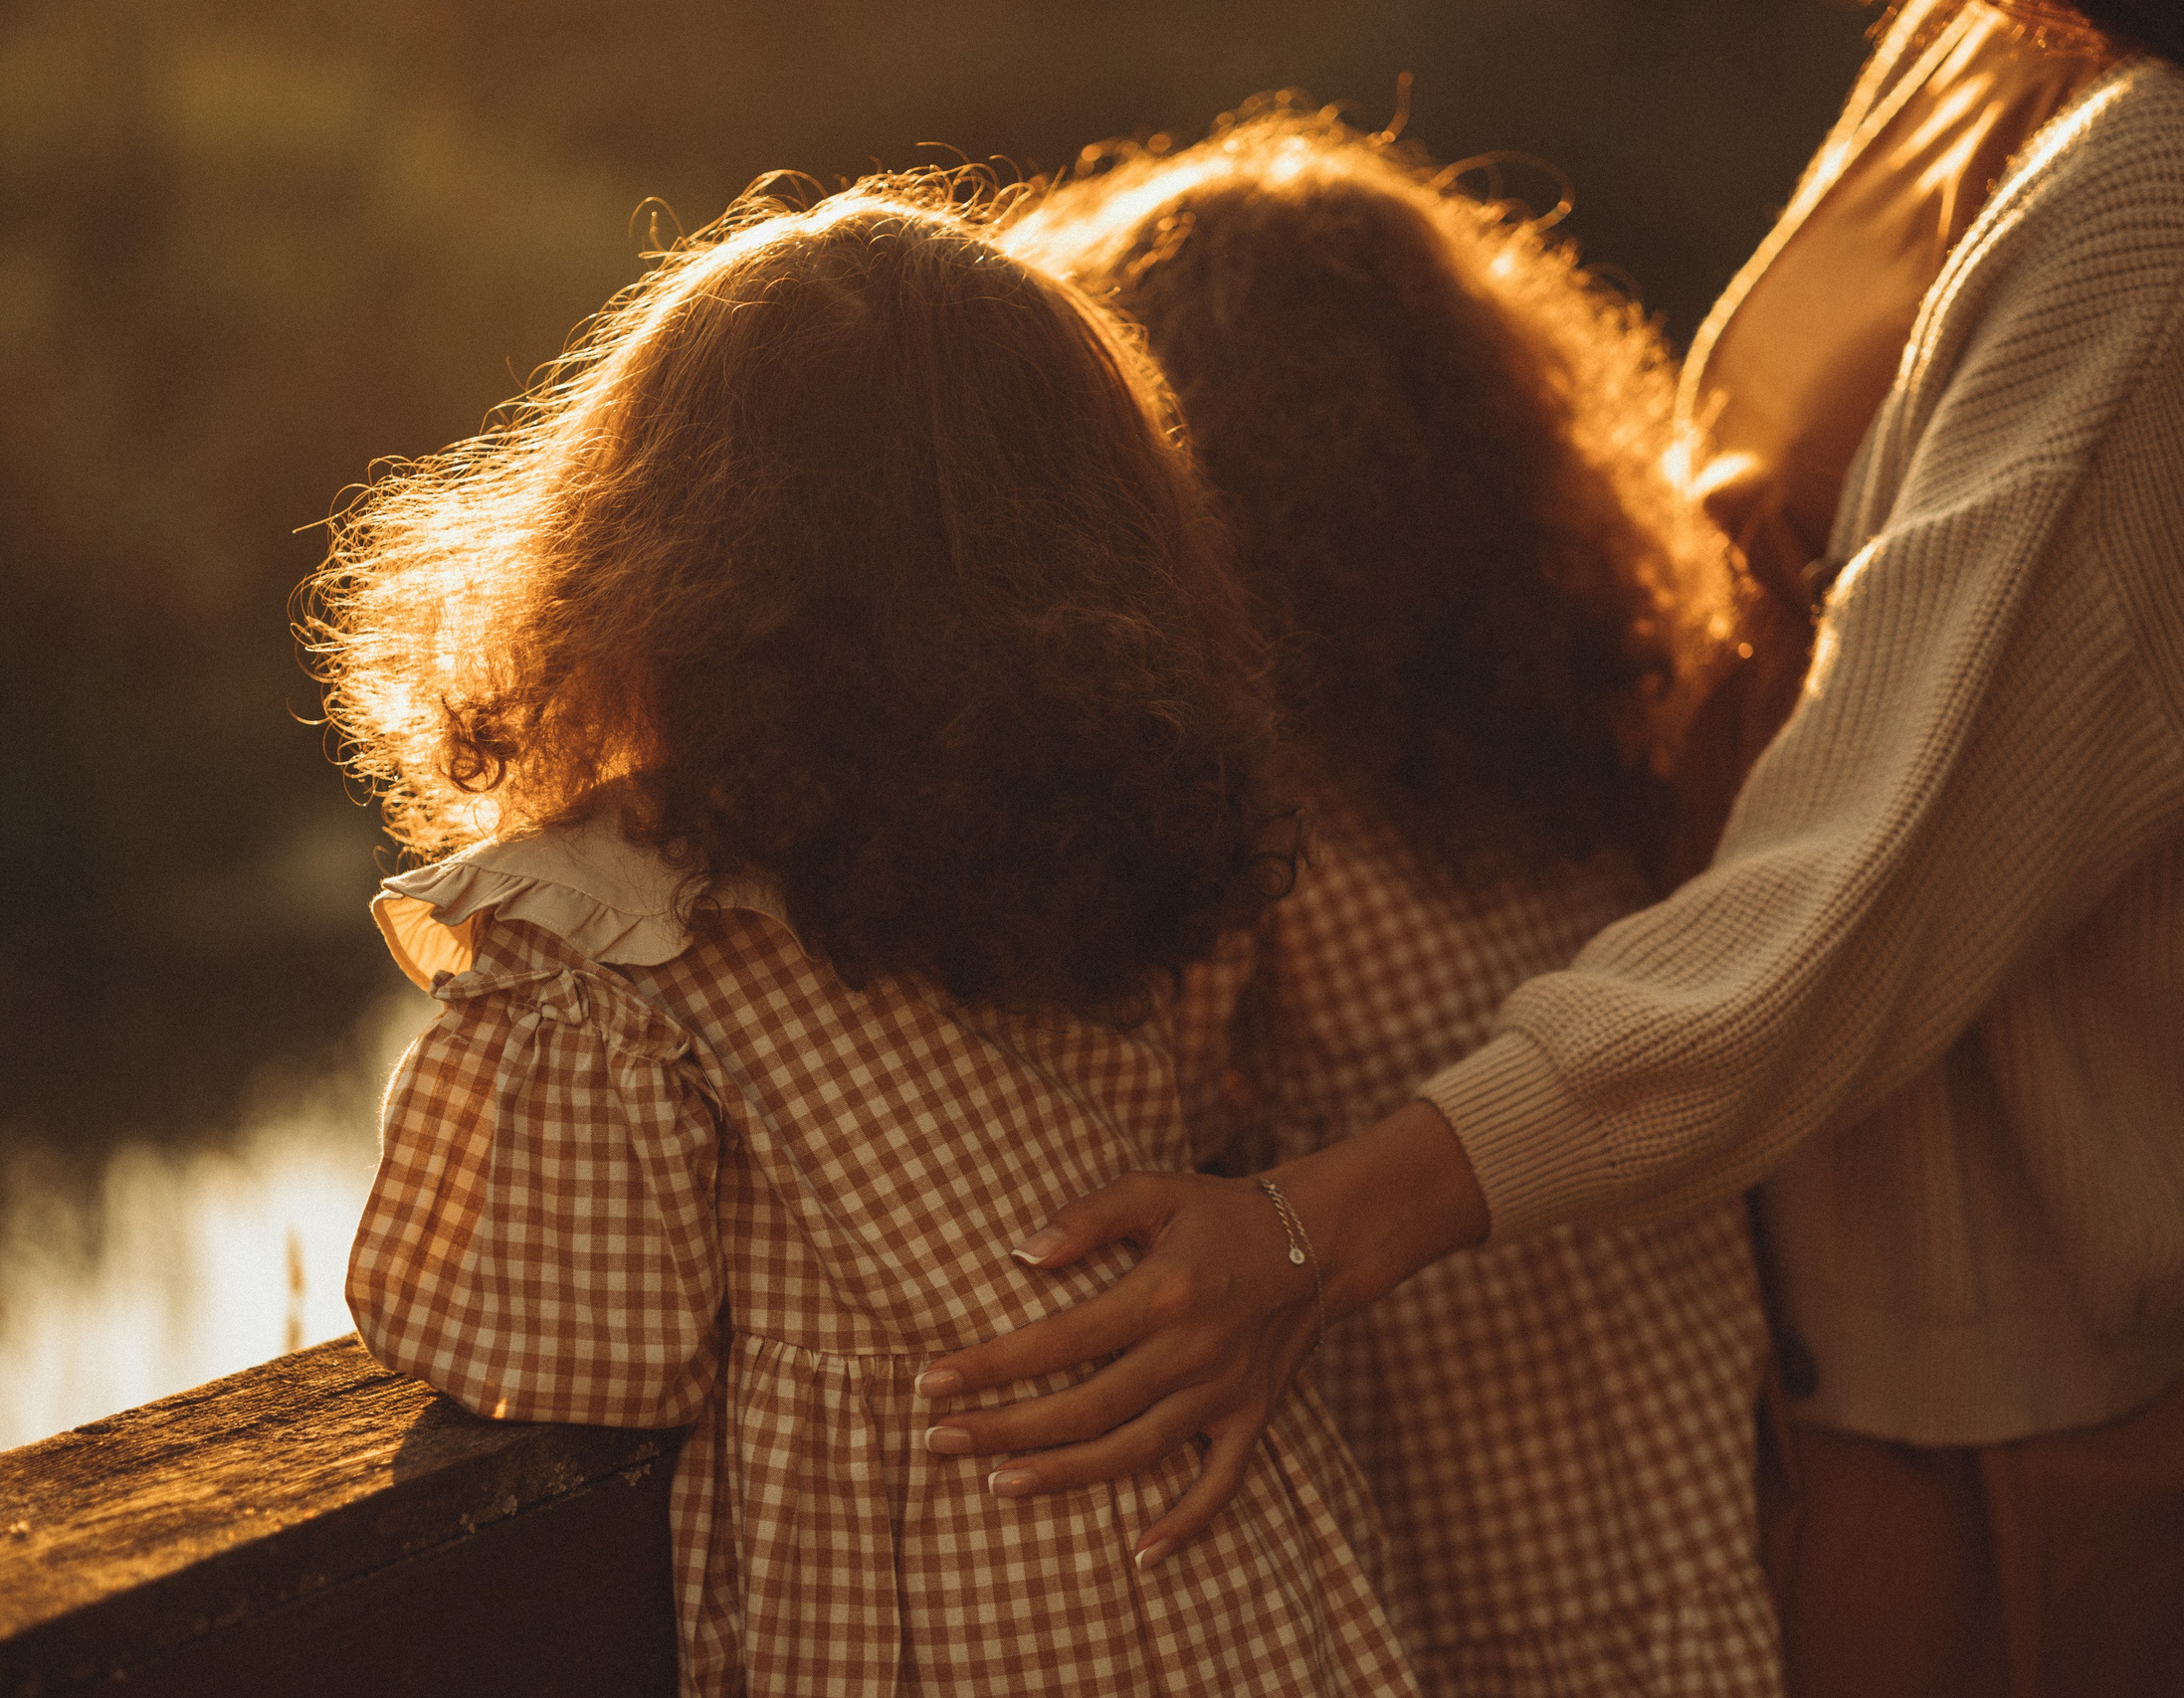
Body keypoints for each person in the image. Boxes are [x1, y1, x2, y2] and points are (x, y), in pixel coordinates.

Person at [915, 2, 2184, 1691]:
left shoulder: (2165, 185)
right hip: (1765, 1294)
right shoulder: (1992, 46)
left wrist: (1318, 1225)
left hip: (1954, 1415)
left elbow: (1872, 872)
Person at [317, 177, 1418, 1696]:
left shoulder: (620, 936)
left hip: (954, 1613)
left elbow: (555, 1348)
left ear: (639, 542)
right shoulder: (1102, 847)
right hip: (1229, 1581)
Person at [1006, 110, 1780, 1694]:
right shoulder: (1577, 732)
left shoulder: (1245, 824)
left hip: (1473, 1525)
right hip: (1699, 1459)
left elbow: (1101, 1139)